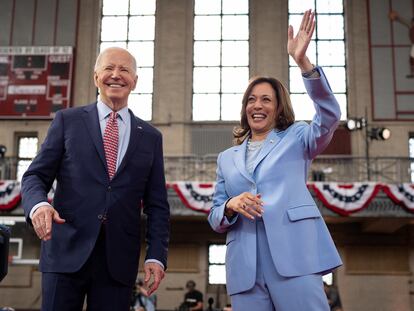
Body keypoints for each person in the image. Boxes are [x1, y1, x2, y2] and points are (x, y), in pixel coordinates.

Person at [208, 10, 342, 311]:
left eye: (266, 99)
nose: (257, 105)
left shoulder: (297, 137)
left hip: (295, 259)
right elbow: (215, 215)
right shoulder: (226, 158)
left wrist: (303, 63)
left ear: (279, 108)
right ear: (245, 108)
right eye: (251, 100)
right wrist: (231, 205)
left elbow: (330, 116)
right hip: (245, 269)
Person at [21, 47, 170, 311]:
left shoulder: (150, 137)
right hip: (65, 253)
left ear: (135, 81)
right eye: (109, 68)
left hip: (118, 262)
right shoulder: (67, 121)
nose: (116, 75)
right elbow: (35, 176)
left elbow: (157, 205)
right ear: (95, 77)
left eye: (125, 70)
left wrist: (157, 256)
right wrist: (39, 205)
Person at [389, 10, 414, 78]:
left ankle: (412, 73)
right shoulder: (411, 26)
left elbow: (404, 21)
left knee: (412, 59)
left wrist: (397, 18)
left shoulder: (411, 26)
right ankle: (412, 73)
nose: (412, 23)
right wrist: (397, 18)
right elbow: (404, 21)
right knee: (411, 60)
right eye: (412, 22)